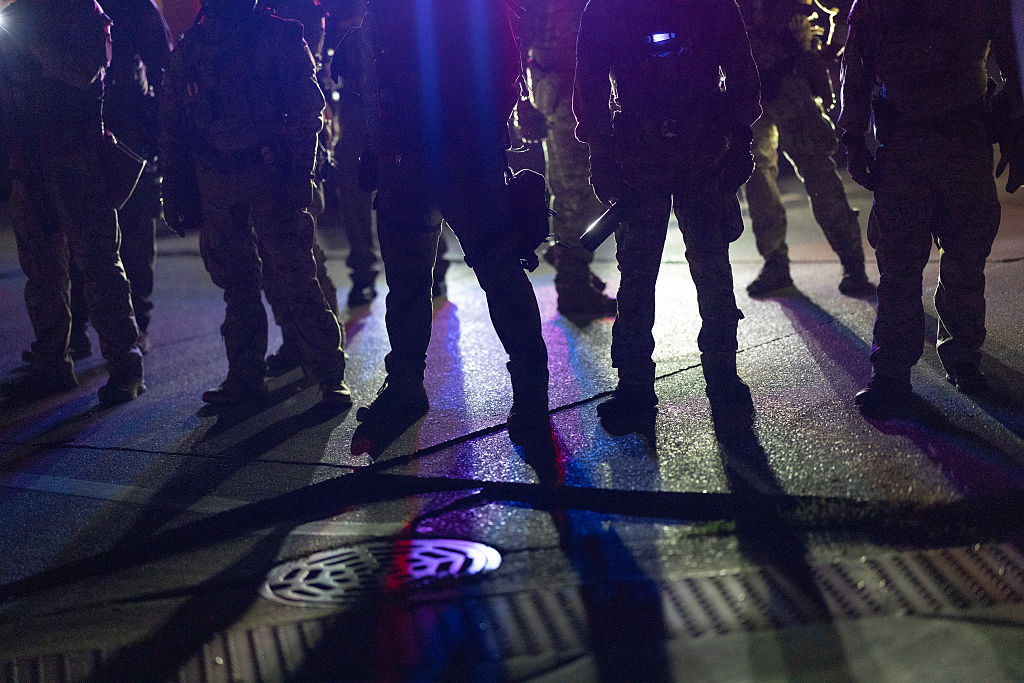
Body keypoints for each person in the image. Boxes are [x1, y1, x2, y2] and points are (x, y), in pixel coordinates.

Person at [345, 0, 551, 442]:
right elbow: (373, 73)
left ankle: (531, 390)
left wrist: (479, 131)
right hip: (406, 155)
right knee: (408, 282)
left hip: (461, 154)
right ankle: (405, 384)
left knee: (496, 271)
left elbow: (503, 66)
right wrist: (373, 142)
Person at [574, 0, 762, 433]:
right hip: (664, 152)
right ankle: (665, 383)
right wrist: (600, 150)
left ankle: (706, 378)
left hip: (691, 151)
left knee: (688, 270)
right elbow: (590, 78)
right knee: (655, 274)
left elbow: (738, 68)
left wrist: (740, 139)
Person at [160, 0, 351, 408]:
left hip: (270, 174)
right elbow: (175, 127)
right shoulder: (190, 50)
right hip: (218, 180)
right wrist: (174, 189)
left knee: (296, 277)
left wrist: (298, 173)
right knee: (237, 284)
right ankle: (245, 375)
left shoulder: (278, 36)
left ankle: (329, 374)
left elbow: (307, 113)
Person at [839, 0, 1024, 417]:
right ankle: (891, 373)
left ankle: (961, 358)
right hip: (906, 145)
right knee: (900, 263)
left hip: (963, 139)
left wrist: (1016, 130)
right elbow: (857, 65)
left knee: (964, 256)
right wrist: (851, 134)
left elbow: (1014, 60)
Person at [0, 0, 146, 404]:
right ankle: (52, 362)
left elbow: (87, 71)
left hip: (77, 159)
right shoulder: (20, 15)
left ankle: (125, 367)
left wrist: (32, 46)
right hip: (31, 162)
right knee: (43, 273)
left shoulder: (82, 11)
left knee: (100, 265)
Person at [740, 0, 875, 298]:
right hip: (751, 91)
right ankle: (775, 262)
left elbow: (844, 8)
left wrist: (830, 49)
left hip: (791, 82)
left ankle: (852, 263)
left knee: (818, 174)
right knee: (757, 177)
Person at [254, 0, 346, 375]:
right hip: (263, 151)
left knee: (301, 252)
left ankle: (325, 340)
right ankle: (295, 338)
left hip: (296, 148)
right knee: (270, 257)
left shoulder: (294, 17)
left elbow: (307, 79)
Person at [515, 0, 618, 318]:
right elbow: (517, 35)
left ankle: (571, 266)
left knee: (583, 189)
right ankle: (572, 285)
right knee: (576, 190)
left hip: (584, 87)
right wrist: (523, 101)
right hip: (563, 92)